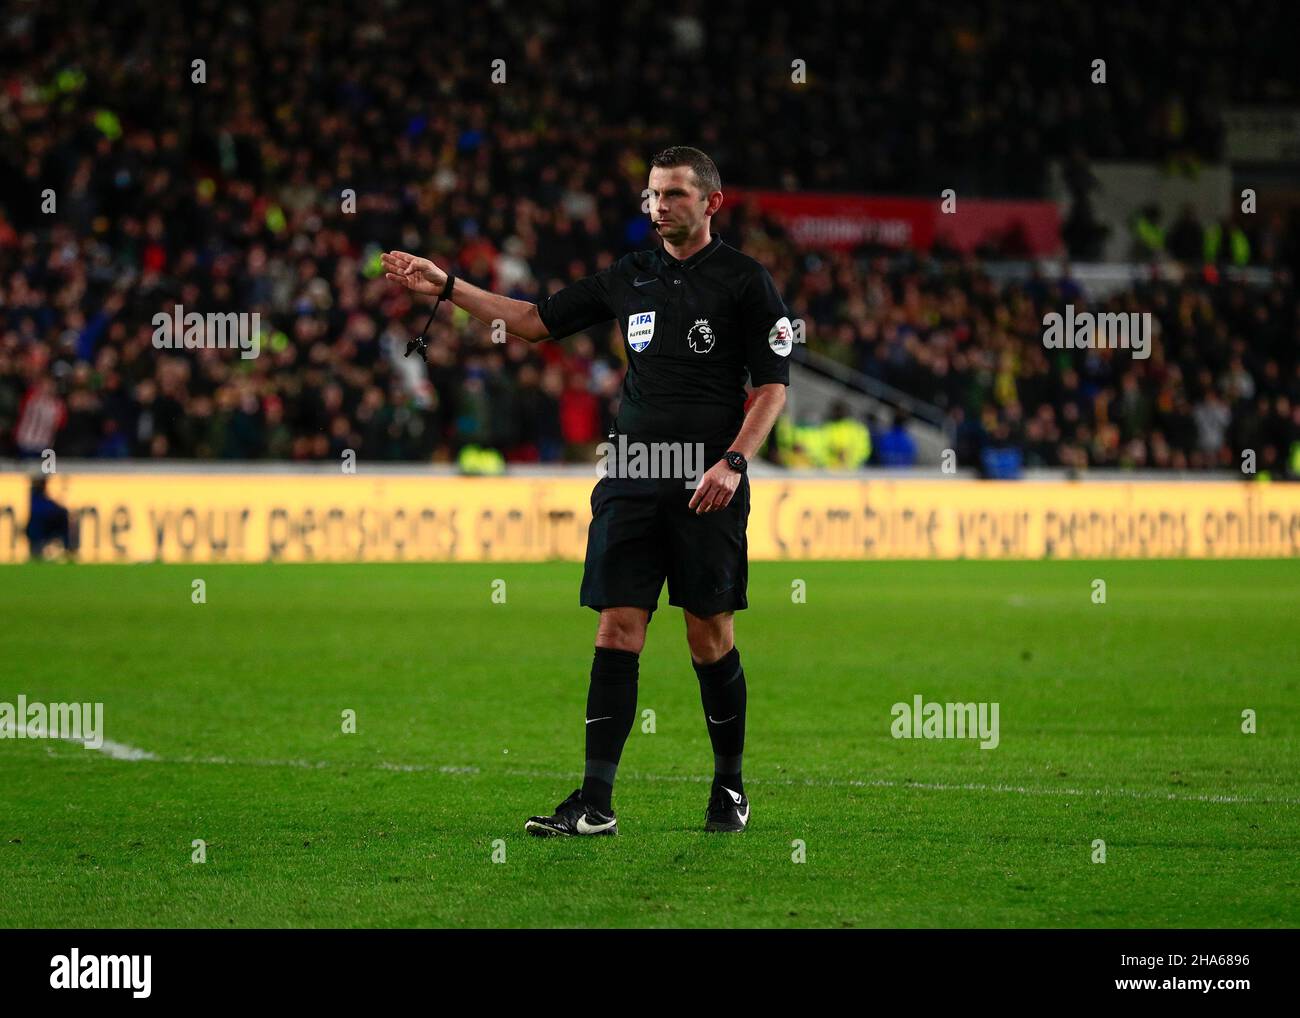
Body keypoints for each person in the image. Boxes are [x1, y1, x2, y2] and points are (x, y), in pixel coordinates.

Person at [382, 146, 791, 835]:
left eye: (675, 196)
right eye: (653, 196)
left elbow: (773, 387)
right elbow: (536, 319)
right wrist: (448, 285)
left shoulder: (746, 282)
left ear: (711, 203)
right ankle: (595, 804)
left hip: (705, 481)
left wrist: (733, 463)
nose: (660, 207)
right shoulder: (631, 275)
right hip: (631, 473)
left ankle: (729, 787)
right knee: (616, 627)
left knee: (708, 636)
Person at [26, 477, 78, 560]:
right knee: (63, 518)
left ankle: (69, 551)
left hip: (44, 527)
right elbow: (43, 509)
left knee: (65, 518)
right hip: (40, 528)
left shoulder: (39, 497)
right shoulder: (36, 498)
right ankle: (69, 551)